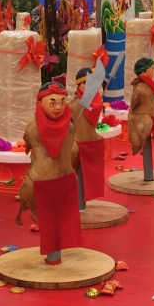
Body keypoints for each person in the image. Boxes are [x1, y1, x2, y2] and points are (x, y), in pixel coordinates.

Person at [18, 82, 82, 265]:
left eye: (62, 102)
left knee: (56, 221)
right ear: (40, 103)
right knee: (53, 221)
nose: (58, 107)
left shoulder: (35, 128)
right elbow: (74, 152)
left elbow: (28, 149)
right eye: (52, 102)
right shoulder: (39, 128)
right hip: (50, 180)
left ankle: (54, 257)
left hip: (55, 179)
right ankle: (54, 256)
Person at [69, 67, 104, 208]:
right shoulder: (73, 105)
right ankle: (77, 202)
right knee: (76, 173)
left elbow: (94, 115)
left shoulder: (95, 101)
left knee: (90, 175)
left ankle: (82, 202)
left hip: (91, 141)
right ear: (80, 85)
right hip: (78, 143)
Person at [128, 57, 154, 181]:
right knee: (145, 124)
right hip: (141, 116)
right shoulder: (140, 87)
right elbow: (134, 103)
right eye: (152, 68)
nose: (153, 70)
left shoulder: (150, 85)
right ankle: (141, 146)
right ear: (144, 71)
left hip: (150, 114)